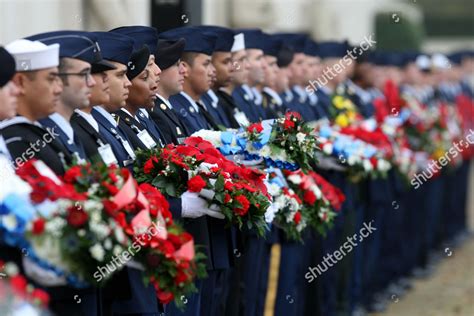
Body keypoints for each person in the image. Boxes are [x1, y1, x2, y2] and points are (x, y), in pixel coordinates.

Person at [2, 39, 70, 175]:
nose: (59, 89)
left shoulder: (34, 131)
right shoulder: (15, 138)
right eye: (51, 79)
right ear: (20, 82)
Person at [150, 37, 189, 145]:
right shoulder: (156, 112)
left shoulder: (167, 108)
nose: (183, 70)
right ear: (160, 70)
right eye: (176, 65)